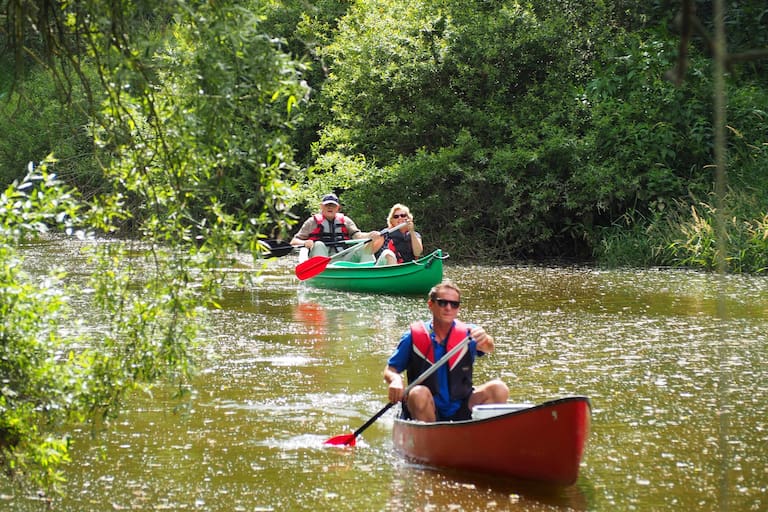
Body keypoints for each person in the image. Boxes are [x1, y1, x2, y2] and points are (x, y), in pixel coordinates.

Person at [383, 279, 509, 422]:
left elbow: (489, 347)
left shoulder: (469, 333)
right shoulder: (412, 337)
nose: (448, 308)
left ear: (458, 308)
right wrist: (395, 380)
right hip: (426, 408)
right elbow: (390, 369)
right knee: (418, 393)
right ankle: (431, 438)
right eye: (443, 303)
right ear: (431, 304)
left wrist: (485, 339)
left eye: (454, 304)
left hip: (461, 406)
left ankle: (482, 433)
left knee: (499, 389)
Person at [290, 193, 383, 262]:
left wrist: (370, 235)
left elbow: (357, 236)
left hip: (343, 258)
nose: (330, 207)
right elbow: (294, 241)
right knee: (318, 244)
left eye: (333, 205)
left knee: (363, 248)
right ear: (321, 207)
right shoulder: (312, 222)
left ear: (338, 208)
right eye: (327, 205)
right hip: (321, 261)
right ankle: (324, 271)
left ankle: (368, 271)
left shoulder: (346, 220)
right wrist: (305, 242)